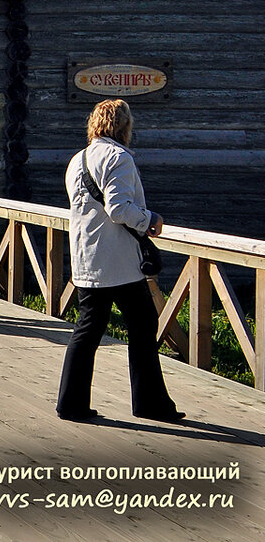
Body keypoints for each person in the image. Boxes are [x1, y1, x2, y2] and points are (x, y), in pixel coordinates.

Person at [56, 99, 183, 423]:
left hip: (87, 256)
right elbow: (118, 209)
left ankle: (70, 403)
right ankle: (149, 403)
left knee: (88, 330)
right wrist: (149, 218)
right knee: (143, 328)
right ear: (124, 126)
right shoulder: (119, 157)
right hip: (119, 261)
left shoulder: (78, 159)